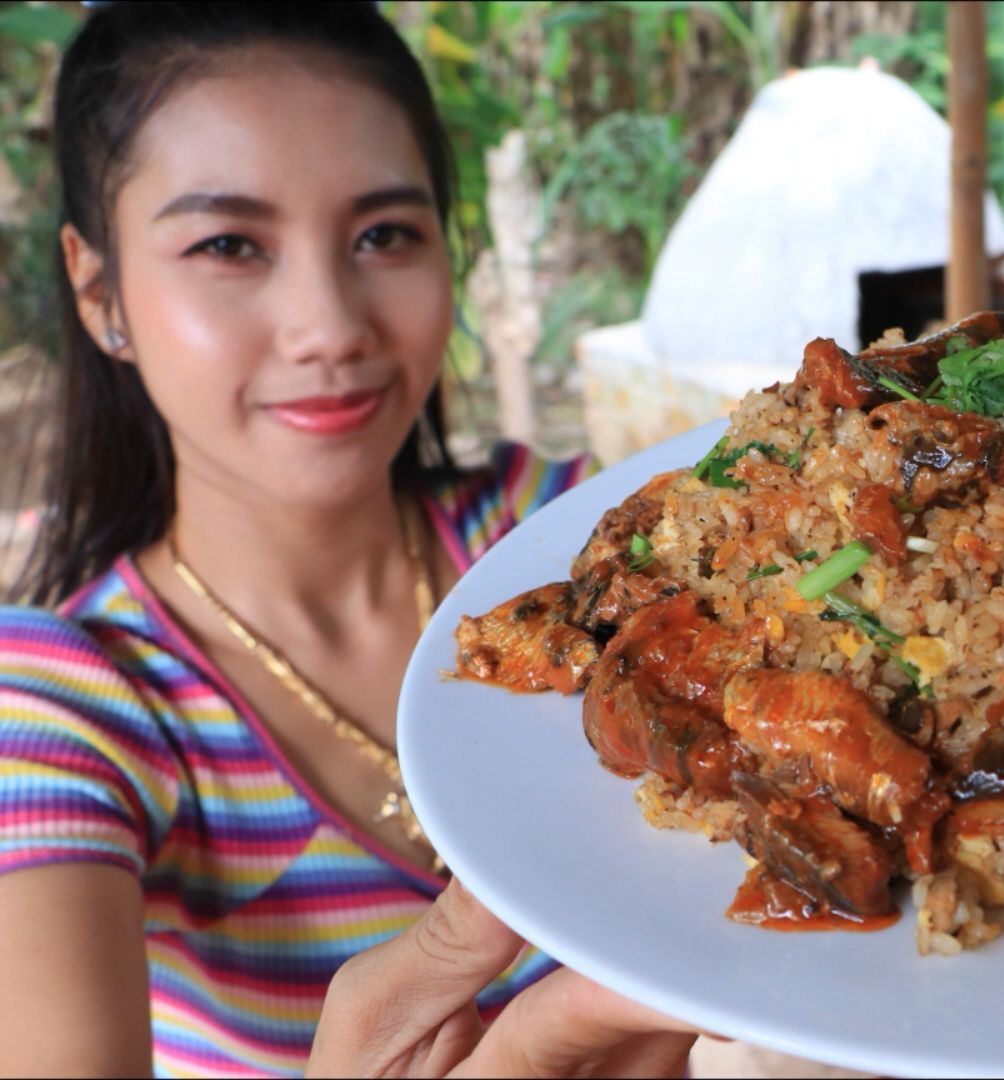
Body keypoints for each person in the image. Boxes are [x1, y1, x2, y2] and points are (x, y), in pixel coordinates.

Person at [0, 3, 696, 1075]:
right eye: (229, 244)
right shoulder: (67, 712)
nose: (330, 325)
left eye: (384, 235)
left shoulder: (569, 544)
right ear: (101, 294)